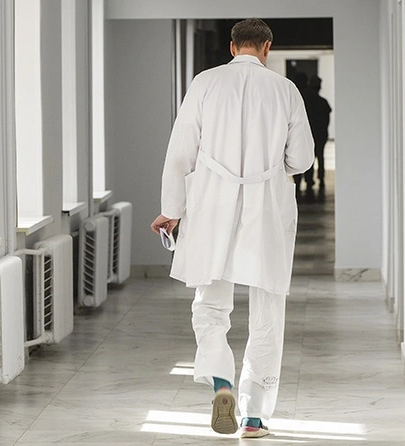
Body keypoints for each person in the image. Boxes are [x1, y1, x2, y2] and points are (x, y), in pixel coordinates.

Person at [150, 18, 314, 439]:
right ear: (267, 48)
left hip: (212, 207)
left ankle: (221, 382)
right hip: (267, 209)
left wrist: (171, 210)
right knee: (267, 311)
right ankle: (254, 415)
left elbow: (180, 153)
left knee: (210, 303)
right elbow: (302, 160)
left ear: (232, 46)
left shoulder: (205, 83)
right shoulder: (285, 90)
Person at [303, 75, 332, 190]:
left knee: (311, 156)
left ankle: (310, 179)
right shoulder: (322, 102)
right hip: (320, 134)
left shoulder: (306, 102)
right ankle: (320, 178)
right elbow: (326, 120)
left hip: (311, 133)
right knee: (319, 156)